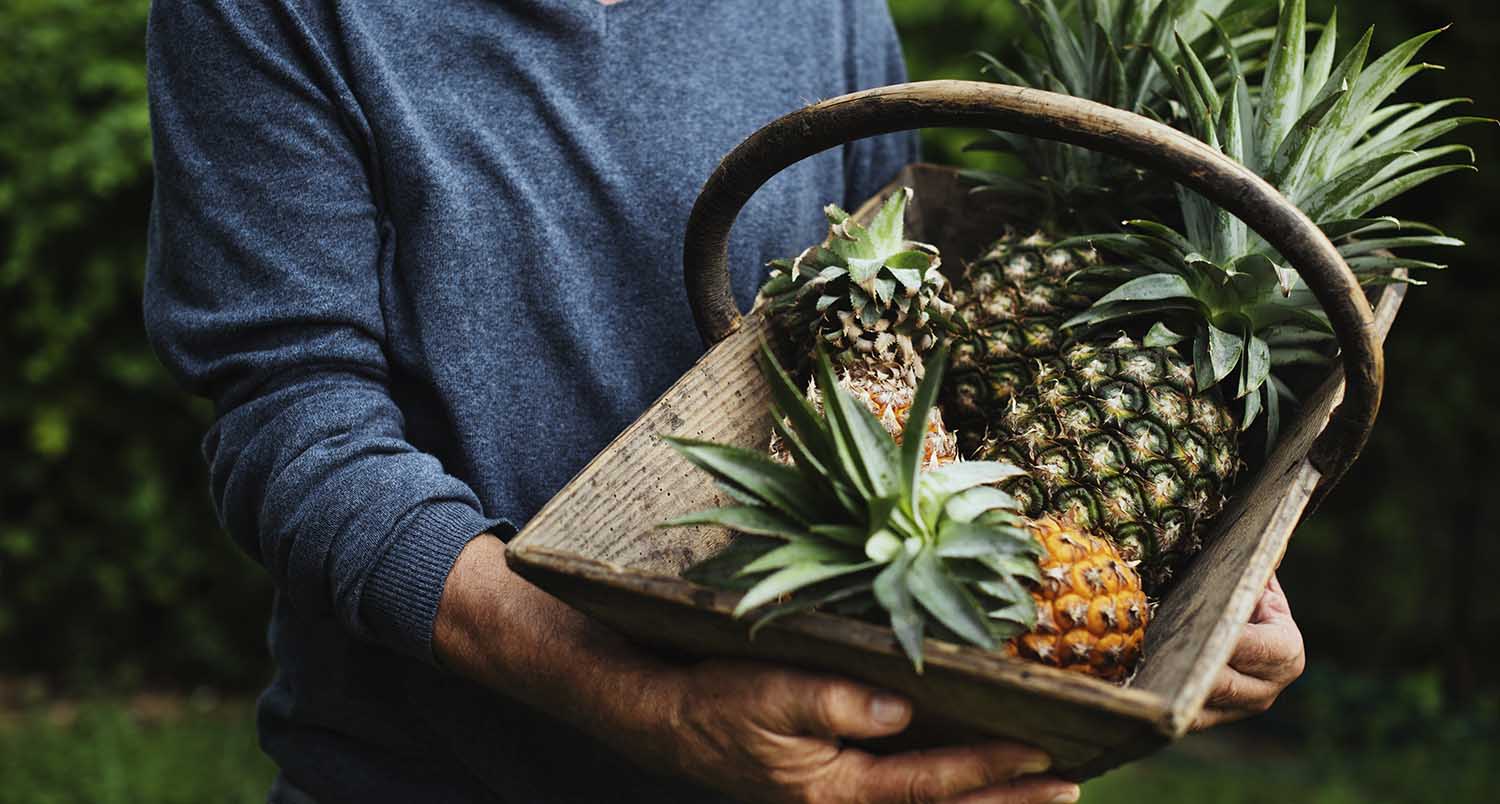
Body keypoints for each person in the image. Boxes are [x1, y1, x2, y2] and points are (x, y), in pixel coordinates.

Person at [143, 2, 1304, 802]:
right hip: (436, 774)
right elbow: (294, 424)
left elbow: (902, 352)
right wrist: (635, 695)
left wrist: (1181, 573)